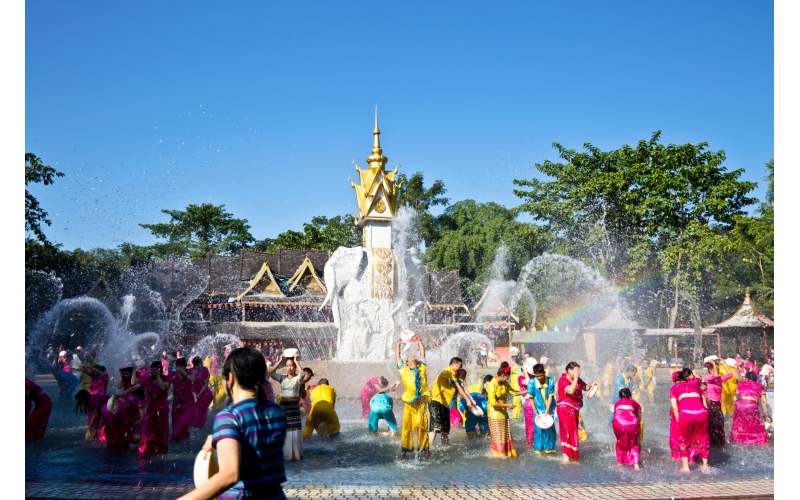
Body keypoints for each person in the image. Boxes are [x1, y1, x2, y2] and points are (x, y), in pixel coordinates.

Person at [178, 347, 287, 500]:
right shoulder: (277, 412)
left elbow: (230, 475)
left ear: (230, 378)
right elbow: (256, 446)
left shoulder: (230, 416)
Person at [395, 335, 431, 459]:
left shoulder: (422, 368)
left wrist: (420, 343)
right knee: (407, 428)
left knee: (423, 428)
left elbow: (423, 355)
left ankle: (426, 451)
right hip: (410, 405)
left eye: (413, 355)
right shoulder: (404, 371)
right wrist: (399, 344)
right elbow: (398, 357)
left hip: (421, 404)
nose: (412, 355)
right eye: (410, 356)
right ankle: (404, 451)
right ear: (407, 363)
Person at [428, 357, 475, 447]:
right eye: (459, 366)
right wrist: (468, 400)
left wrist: (470, 399)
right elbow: (459, 387)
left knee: (446, 429)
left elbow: (462, 387)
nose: (460, 368)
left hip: (446, 405)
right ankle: (428, 449)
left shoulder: (455, 374)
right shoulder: (447, 371)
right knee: (435, 427)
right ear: (452, 365)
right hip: (436, 401)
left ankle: (446, 447)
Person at [670, 368, 710, 472]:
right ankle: (705, 466)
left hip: (685, 412)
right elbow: (704, 402)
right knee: (703, 436)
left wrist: (678, 420)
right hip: (702, 412)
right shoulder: (695, 386)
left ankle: (686, 467)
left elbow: (674, 407)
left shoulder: (674, 388)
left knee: (683, 438)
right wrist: (706, 414)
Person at [556, 361, 596, 462]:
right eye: (576, 370)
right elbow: (571, 391)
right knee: (568, 431)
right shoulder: (563, 379)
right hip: (565, 408)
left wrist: (591, 385)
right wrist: (577, 378)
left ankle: (570, 456)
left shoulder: (576, 379)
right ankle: (566, 459)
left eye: (579, 370)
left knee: (573, 431)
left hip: (574, 409)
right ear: (569, 370)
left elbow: (584, 387)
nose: (578, 372)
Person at [485, 362, 526, 458]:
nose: (509, 378)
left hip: (504, 412)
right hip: (494, 414)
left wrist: (528, 390)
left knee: (505, 434)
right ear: (504, 376)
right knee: (499, 436)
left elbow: (513, 392)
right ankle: (499, 456)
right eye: (508, 377)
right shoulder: (491, 385)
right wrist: (508, 405)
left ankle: (507, 454)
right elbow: (493, 403)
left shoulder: (504, 383)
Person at [268, 354, 305, 460]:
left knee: (295, 430)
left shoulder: (298, 379)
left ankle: (296, 454)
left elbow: (303, 374)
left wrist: (296, 361)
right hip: (283, 406)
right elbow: (271, 373)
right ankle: (285, 454)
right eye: (287, 365)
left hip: (294, 407)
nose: (289, 368)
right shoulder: (282, 378)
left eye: (291, 365)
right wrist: (280, 360)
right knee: (285, 429)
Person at [129, 360, 171, 454]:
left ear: (160, 370)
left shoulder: (167, 378)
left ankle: (160, 450)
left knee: (160, 430)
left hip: (162, 409)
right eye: (152, 370)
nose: (152, 372)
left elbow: (163, 387)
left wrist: (158, 375)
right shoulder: (147, 379)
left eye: (155, 370)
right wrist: (124, 393)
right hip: (150, 409)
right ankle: (144, 449)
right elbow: (135, 386)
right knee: (145, 429)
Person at [703, 356, 742, 447]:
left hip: (717, 404)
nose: (717, 371)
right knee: (712, 423)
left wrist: (723, 363)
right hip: (710, 403)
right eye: (715, 369)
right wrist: (713, 363)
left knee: (720, 423)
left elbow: (730, 375)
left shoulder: (719, 379)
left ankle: (719, 442)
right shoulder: (708, 378)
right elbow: (715, 375)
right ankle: (710, 442)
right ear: (710, 371)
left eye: (717, 369)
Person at [730, 371, 771, 445]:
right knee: (757, 426)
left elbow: (735, 399)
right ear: (755, 379)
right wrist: (767, 415)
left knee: (739, 425)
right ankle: (760, 442)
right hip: (751, 405)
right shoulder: (759, 386)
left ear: (746, 378)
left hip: (739, 405)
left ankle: (738, 440)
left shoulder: (739, 385)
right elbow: (764, 402)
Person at [527, 363, 557, 453]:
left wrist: (547, 411)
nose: (539, 378)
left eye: (541, 375)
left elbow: (551, 397)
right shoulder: (531, 382)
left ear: (544, 372)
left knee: (550, 429)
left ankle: (550, 449)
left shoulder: (550, 381)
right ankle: (538, 450)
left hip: (549, 408)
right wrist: (535, 412)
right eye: (537, 376)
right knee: (539, 430)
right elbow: (531, 398)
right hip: (538, 409)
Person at [612, 388, 642, 469]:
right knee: (634, 443)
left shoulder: (617, 403)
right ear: (630, 395)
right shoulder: (634, 402)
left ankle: (619, 463)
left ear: (620, 397)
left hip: (618, 423)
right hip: (632, 423)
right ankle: (636, 465)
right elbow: (639, 417)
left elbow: (616, 415)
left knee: (620, 442)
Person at [167, 357, 196, 441]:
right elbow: (166, 382)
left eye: (180, 365)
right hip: (177, 402)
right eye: (177, 365)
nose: (177, 367)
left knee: (184, 421)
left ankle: (184, 436)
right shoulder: (173, 374)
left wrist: (183, 371)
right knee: (175, 422)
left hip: (188, 403)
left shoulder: (190, 372)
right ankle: (178, 437)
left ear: (184, 366)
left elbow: (193, 379)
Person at [190, 356, 214, 428]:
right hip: (195, 394)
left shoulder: (205, 370)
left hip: (205, 393)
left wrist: (199, 394)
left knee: (202, 410)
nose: (196, 366)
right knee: (195, 410)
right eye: (194, 365)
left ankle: (200, 427)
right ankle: (194, 425)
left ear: (201, 363)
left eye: (197, 364)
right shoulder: (191, 370)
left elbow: (206, 385)